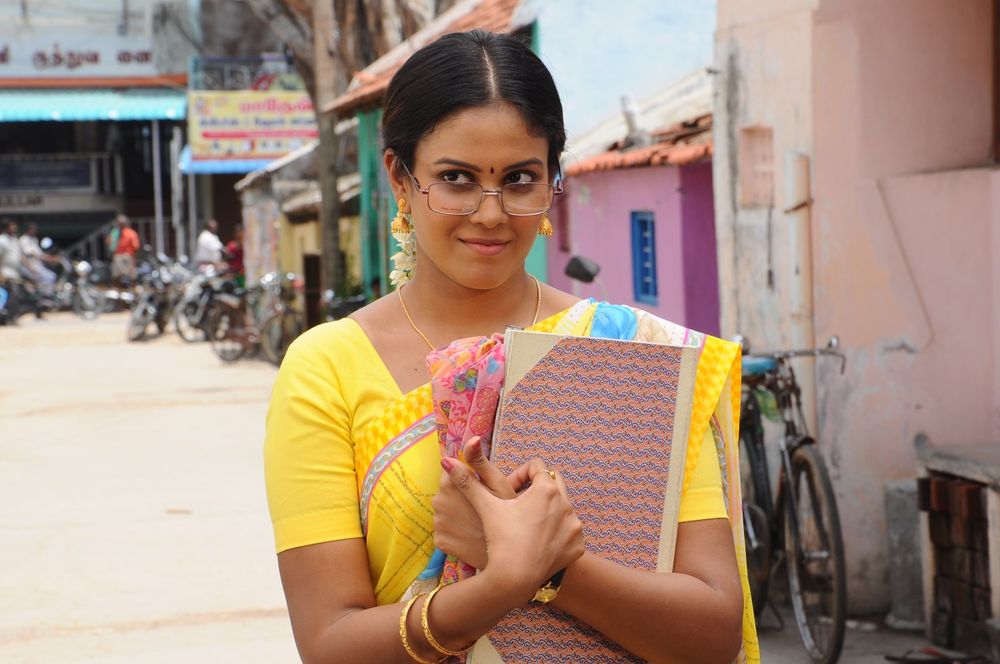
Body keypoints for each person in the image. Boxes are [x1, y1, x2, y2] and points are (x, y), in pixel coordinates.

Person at [264, 31, 756, 664]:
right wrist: (499, 584)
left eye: (520, 178)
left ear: (551, 180)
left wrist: (551, 570)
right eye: (456, 179)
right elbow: (330, 643)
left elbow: (714, 633)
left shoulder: (634, 351)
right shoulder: (327, 368)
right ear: (400, 179)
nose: (491, 213)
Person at [19, 223, 57, 299]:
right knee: (50, 277)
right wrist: (49, 258)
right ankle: (44, 297)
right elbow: (32, 254)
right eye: (33, 229)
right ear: (28, 230)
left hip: (37, 265)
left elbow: (40, 253)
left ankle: (44, 297)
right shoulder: (23, 240)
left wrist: (50, 258)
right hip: (29, 266)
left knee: (51, 276)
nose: (35, 231)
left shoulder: (34, 239)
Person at [106, 214, 139, 286]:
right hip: (121, 256)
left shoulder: (130, 233)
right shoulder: (115, 233)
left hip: (127, 256)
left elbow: (136, 246)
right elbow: (110, 245)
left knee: (127, 275)